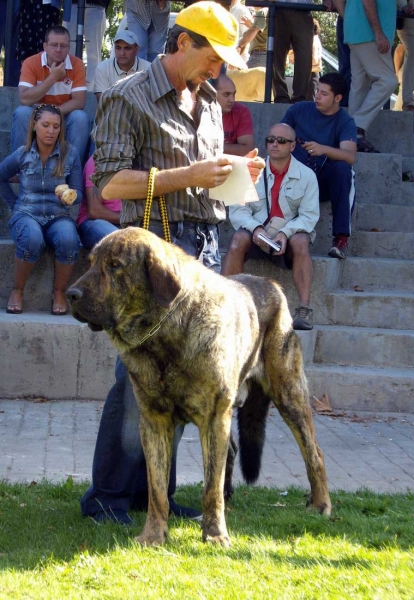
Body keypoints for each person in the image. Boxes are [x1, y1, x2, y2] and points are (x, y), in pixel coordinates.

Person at [81, 1, 263, 525]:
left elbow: (201, 176)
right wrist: (191, 174)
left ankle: (153, 497)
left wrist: (233, 171)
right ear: (183, 43)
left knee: (181, 374)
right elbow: (111, 184)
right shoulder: (126, 95)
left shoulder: (208, 98)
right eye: (213, 56)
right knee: (135, 376)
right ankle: (109, 498)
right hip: (151, 255)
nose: (219, 69)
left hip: (201, 251)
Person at [222, 123, 319, 331]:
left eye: (281, 141)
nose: (274, 144)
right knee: (238, 238)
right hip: (257, 237)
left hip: (287, 242)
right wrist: (256, 228)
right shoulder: (249, 171)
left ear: (292, 146)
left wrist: (286, 233)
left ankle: (304, 309)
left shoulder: (307, 176)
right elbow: (238, 212)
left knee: (302, 240)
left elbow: (309, 217)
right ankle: (226, 303)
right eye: (270, 140)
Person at [0, 104, 82, 315]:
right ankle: (17, 290)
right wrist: (14, 203)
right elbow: (1, 176)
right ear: (35, 125)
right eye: (45, 125)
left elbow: (79, 191)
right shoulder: (23, 154)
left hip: (58, 214)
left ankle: (59, 292)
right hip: (27, 212)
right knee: (31, 238)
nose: (51, 131)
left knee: (69, 239)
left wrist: (70, 199)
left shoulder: (70, 154)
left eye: (56, 126)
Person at [281, 72, 357, 260]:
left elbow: (350, 156)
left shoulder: (345, 121)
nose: (317, 96)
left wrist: (323, 149)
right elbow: (278, 135)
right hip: (292, 175)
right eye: (317, 91)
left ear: (337, 98)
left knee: (343, 170)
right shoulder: (298, 110)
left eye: (324, 93)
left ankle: (341, 238)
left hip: (322, 181)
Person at [11, 25, 90, 164]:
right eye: (54, 45)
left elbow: (79, 102)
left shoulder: (77, 64)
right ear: (45, 46)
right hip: (36, 116)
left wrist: (53, 113)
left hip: (62, 117)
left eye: (63, 45)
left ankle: (71, 168)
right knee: (22, 112)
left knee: (80, 118)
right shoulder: (31, 62)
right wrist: (53, 77)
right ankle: (19, 166)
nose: (58, 49)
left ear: (68, 48)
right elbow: (24, 99)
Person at [339, 0, 397, 152]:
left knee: (360, 83)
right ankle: (356, 125)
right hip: (370, 35)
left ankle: (352, 138)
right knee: (388, 81)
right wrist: (378, 33)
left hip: (356, 32)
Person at [63, 0, 111, 91]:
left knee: (94, 53)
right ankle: (67, 87)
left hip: (96, 5)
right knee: (68, 51)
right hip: (72, 5)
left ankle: (92, 91)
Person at [271, 2, 314, 104]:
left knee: (304, 57)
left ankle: (300, 98)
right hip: (279, 8)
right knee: (276, 57)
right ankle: (280, 96)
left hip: (303, 9)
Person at [93, 30, 152, 101]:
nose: (122, 53)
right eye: (118, 48)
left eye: (127, 48)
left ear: (137, 50)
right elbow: (103, 103)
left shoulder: (148, 69)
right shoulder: (103, 68)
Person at [77, 155, 121, 250]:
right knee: (123, 243)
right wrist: (129, 218)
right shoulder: (98, 160)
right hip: (94, 223)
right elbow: (94, 211)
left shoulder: (139, 161)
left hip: (125, 223)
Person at [212, 74, 255, 156]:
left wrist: (213, 147)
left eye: (233, 94)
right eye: (226, 95)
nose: (231, 100)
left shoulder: (241, 111)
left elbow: (247, 150)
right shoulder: (200, 111)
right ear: (212, 93)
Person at [307, 19, 323, 101]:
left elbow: (315, 59)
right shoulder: (316, 39)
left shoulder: (312, 41)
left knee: (309, 101)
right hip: (314, 74)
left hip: (311, 74)